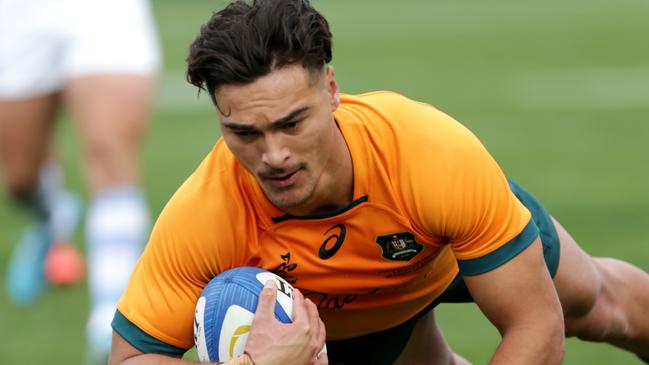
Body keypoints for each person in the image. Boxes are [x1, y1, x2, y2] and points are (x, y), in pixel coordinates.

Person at [109, 0, 649, 364]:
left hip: (439, 249)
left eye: (292, 123)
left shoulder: (427, 154)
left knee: (596, 304)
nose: (273, 154)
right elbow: (131, 356)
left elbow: (536, 323)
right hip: (340, 325)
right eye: (244, 132)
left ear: (333, 90)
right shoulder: (205, 214)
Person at [0, 0, 160, 362]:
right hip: (17, 14)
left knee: (109, 153)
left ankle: (110, 330)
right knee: (19, 177)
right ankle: (53, 216)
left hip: (102, 10)